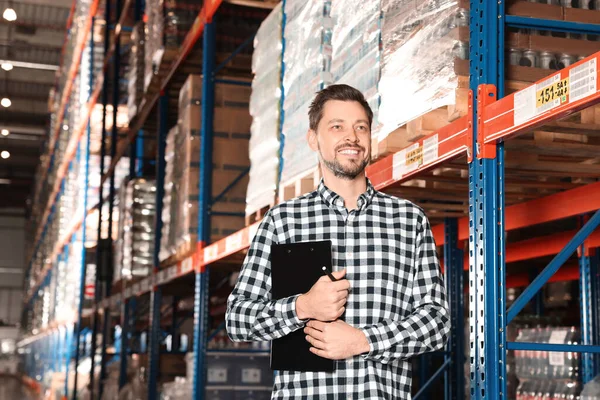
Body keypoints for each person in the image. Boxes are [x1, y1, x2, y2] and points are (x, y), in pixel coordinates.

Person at [226, 84, 450, 399]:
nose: (352, 137)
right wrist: (302, 306)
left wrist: (364, 341)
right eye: (337, 127)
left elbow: (437, 322)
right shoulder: (283, 222)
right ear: (313, 138)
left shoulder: (408, 220)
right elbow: (238, 319)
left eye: (361, 127)